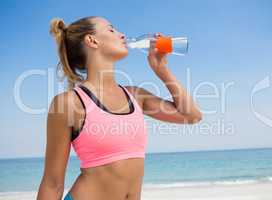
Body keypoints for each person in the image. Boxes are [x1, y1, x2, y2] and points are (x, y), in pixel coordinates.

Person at [36, 16, 202, 200]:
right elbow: (52, 184)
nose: (122, 34)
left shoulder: (136, 96)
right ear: (92, 40)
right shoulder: (69, 103)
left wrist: (162, 70)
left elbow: (191, 116)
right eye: (111, 29)